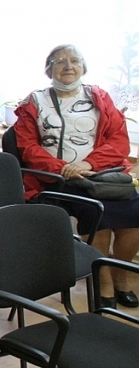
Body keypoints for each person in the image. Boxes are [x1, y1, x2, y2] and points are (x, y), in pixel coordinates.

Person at [13, 44, 139, 309]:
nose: (68, 66)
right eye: (60, 61)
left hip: (100, 174)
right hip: (56, 179)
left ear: (84, 66)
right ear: (49, 70)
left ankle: (121, 276)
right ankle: (103, 282)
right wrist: (64, 168)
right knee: (99, 215)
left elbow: (118, 141)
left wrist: (88, 163)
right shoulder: (33, 102)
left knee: (134, 215)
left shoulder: (100, 97)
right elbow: (28, 148)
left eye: (74, 60)